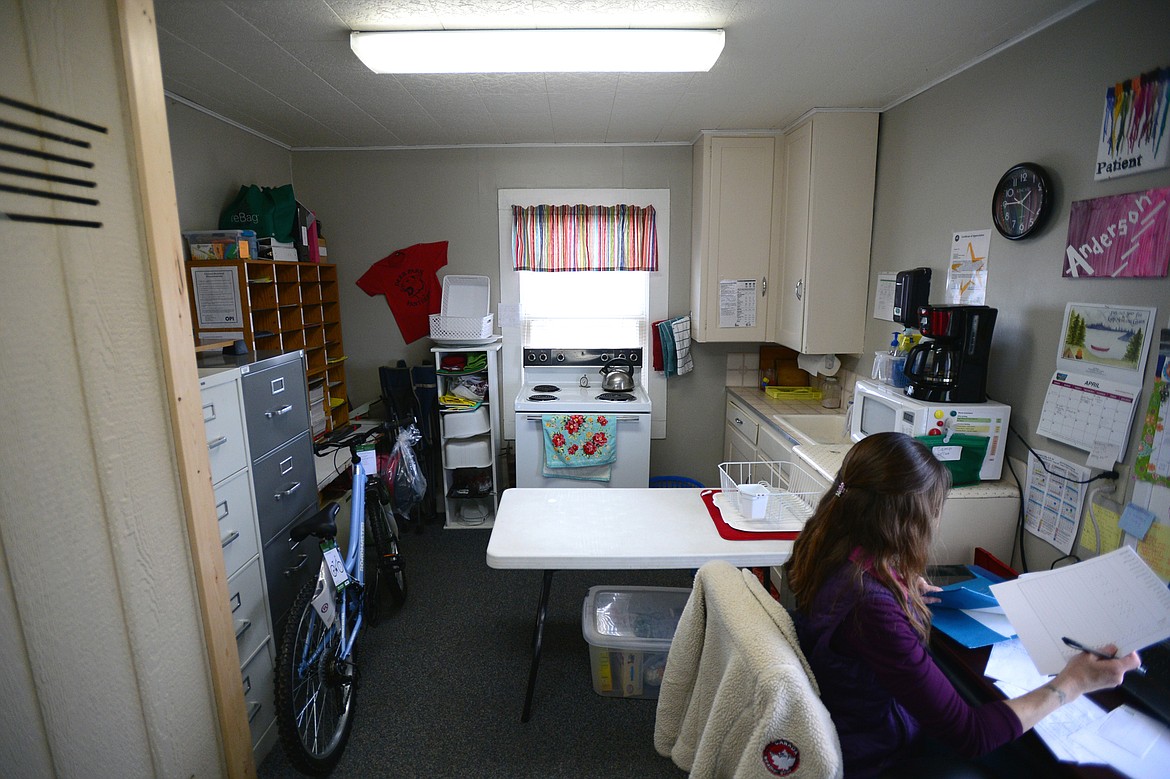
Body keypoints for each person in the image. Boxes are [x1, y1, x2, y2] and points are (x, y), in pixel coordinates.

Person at [784, 432, 1141, 778]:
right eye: (935, 510)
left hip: (858, 718)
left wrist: (897, 584)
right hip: (874, 755)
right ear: (909, 522)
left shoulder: (824, 544)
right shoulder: (872, 610)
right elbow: (971, 734)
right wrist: (1073, 682)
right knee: (1020, 756)